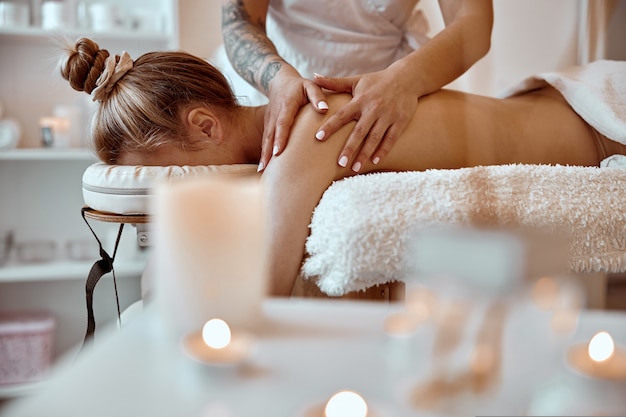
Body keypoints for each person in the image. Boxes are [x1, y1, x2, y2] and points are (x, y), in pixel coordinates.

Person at [61, 38, 626, 297]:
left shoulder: (307, 131)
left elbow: (263, 288)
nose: (176, 187)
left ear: (206, 126)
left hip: (602, 119)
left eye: (169, 170)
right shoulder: (283, 143)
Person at [220, 0, 494, 172]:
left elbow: (473, 22)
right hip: (282, 80)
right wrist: (276, 79)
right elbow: (239, 19)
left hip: (396, 87)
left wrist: (405, 80)